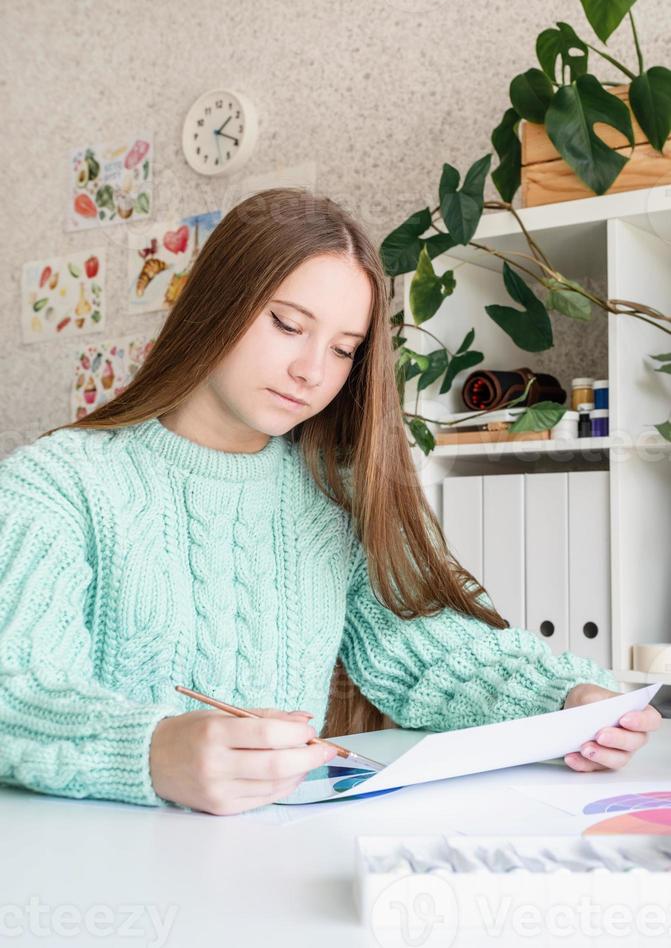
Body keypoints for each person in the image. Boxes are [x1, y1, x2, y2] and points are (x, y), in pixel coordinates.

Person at [0, 188, 661, 816]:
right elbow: (18, 690)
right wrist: (149, 751)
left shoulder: (330, 495)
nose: (312, 372)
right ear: (215, 304)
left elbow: (430, 653)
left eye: (344, 350)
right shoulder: (56, 486)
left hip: (277, 863)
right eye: (288, 325)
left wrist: (565, 700)